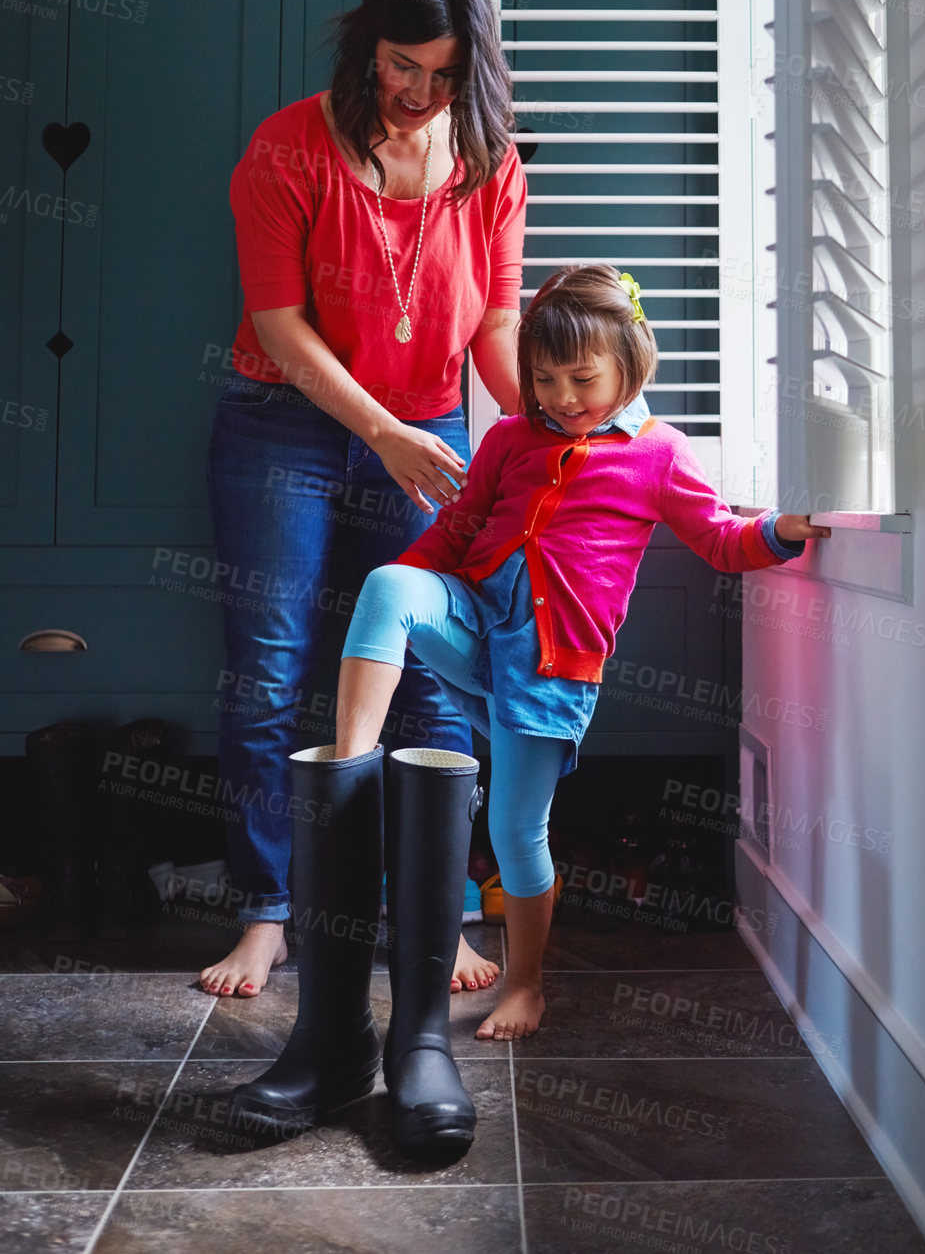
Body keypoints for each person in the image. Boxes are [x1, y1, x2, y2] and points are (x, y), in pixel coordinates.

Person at [226, 260, 832, 1151]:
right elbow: (459, 529)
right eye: (545, 380)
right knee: (392, 583)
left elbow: (718, 539)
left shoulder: (661, 452)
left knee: (518, 834)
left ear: (632, 363)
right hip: (474, 620)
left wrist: (780, 532)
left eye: (581, 380)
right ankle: (348, 769)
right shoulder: (512, 439)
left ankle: (527, 979)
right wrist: (424, 576)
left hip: (549, 670)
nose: (561, 397)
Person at [201, 0, 526, 1000]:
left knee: (432, 669)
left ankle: (444, 910)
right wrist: (382, 430)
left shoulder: (492, 167)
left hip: (429, 432)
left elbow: (494, 325)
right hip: (279, 423)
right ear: (364, 49)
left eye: (442, 76)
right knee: (269, 668)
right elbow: (278, 327)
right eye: (400, 67)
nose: (419, 95)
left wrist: (559, 425)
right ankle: (266, 912)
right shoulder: (288, 148)